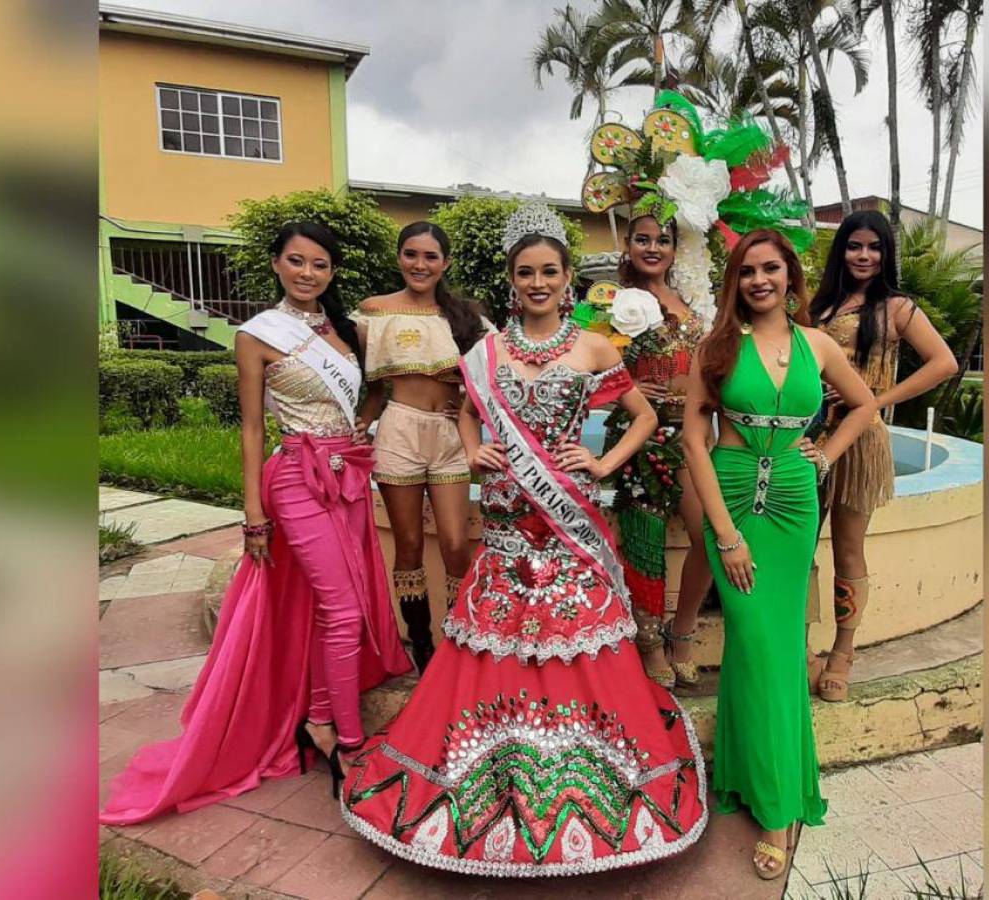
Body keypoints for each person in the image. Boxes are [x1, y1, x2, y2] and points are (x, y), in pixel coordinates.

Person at [340, 204, 707, 875]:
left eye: (549, 272)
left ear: (567, 278)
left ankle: (585, 759)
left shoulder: (593, 347)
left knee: (570, 631)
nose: (537, 283)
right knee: (500, 630)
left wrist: (601, 463)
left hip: (567, 512)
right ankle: (491, 750)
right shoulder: (487, 352)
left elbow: (645, 417)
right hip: (509, 514)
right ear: (512, 280)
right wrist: (472, 450)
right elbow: (465, 412)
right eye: (526, 273)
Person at [100, 222, 411, 825]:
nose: (307, 273)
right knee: (344, 609)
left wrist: (363, 424)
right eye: (296, 261)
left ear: (331, 272)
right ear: (276, 264)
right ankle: (349, 744)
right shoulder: (258, 335)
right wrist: (252, 515)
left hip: (347, 477)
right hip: (295, 478)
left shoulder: (347, 331)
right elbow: (249, 428)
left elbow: (376, 390)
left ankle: (318, 720)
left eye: (319, 264)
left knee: (328, 608)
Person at [682, 229, 877, 879]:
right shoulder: (715, 348)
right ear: (734, 282)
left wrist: (827, 452)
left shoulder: (817, 345)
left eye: (771, 268)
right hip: (733, 498)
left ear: (791, 275)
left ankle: (768, 793)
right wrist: (726, 536)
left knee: (777, 646)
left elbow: (864, 405)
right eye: (747, 271)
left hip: (794, 501)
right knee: (756, 640)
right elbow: (693, 442)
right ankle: (766, 791)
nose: (760, 280)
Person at [807, 210, 959, 702]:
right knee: (799, 545)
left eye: (874, 247)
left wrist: (875, 399)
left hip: (861, 442)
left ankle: (842, 654)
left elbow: (944, 363)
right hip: (810, 437)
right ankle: (797, 647)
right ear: (842, 250)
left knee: (849, 548)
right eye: (855, 246)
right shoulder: (819, 305)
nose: (864, 255)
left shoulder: (896, 308)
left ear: (886, 254)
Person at [354, 222, 490, 674]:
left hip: (450, 435)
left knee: (455, 544)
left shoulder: (465, 316)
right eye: (411, 254)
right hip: (399, 431)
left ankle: (458, 635)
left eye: (431, 256)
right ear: (399, 257)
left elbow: (494, 375)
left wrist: (469, 409)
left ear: (445, 263)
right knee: (409, 544)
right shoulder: (374, 311)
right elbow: (371, 385)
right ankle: (422, 643)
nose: (420, 264)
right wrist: (362, 425)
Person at [605, 214, 712, 689]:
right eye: (642, 239)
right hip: (640, 437)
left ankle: (681, 633)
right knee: (644, 544)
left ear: (675, 247)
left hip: (691, 435)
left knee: (709, 536)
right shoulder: (609, 302)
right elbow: (586, 368)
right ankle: (649, 643)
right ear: (627, 245)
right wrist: (624, 388)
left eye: (662, 240)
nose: (652, 248)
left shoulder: (693, 299)